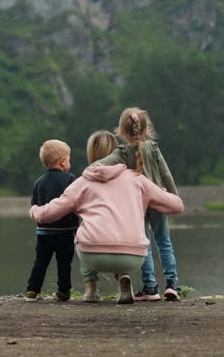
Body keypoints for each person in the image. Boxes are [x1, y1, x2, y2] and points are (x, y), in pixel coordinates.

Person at [29, 130, 183, 305]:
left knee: (85, 229)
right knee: (122, 228)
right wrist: (160, 192)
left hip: (92, 255)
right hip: (131, 257)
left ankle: (91, 289)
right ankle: (125, 282)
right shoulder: (137, 178)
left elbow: (48, 215)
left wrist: (34, 209)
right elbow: (177, 206)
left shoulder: (82, 182)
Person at [94, 107, 180, 301]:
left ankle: (150, 288)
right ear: (145, 129)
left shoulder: (122, 152)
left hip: (137, 206)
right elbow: (166, 175)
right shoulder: (153, 148)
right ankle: (172, 285)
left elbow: (97, 166)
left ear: (121, 131)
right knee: (164, 243)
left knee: (145, 246)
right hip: (158, 200)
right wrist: (174, 197)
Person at [25, 139, 79, 302]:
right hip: (66, 231)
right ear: (63, 161)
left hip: (43, 231)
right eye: (69, 158)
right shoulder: (70, 180)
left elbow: (34, 204)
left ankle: (32, 290)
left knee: (41, 260)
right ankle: (63, 291)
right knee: (64, 263)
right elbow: (76, 202)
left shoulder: (38, 182)